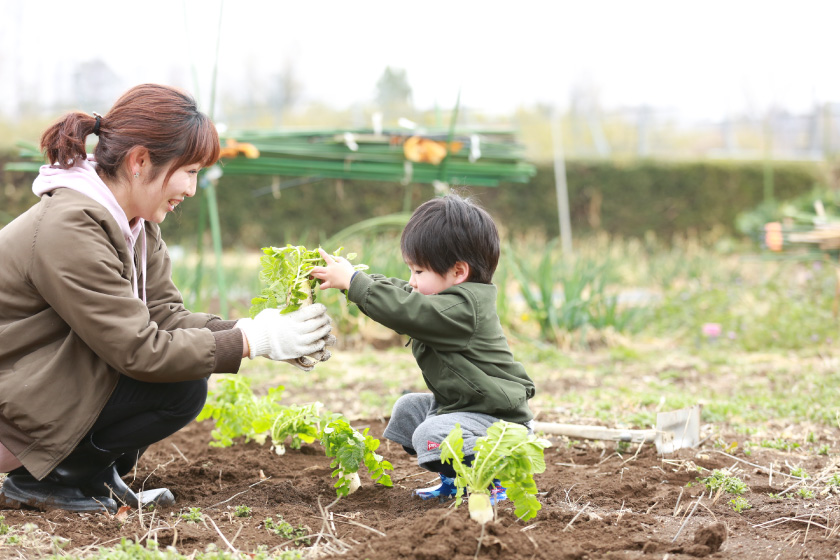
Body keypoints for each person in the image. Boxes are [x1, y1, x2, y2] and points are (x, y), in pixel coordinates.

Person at [0, 84, 334, 514]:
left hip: (38, 385)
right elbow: (139, 350)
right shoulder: (70, 227)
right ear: (140, 161)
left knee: (183, 373)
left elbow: (164, 316)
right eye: (190, 171)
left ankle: (90, 475)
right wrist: (252, 341)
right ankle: (49, 480)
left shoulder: (134, 225)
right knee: (178, 383)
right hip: (13, 401)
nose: (192, 189)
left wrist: (258, 333)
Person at [311, 193, 535, 503]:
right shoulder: (445, 300)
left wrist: (355, 283)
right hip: (469, 410)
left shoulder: (463, 309)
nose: (412, 281)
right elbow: (405, 295)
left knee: (430, 436)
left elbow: (406, 309)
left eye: (418, 272)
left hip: (501, 427)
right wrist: (358, 279)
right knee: (409, 412)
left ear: (459, 272)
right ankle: (454, 482)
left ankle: (494, 481)